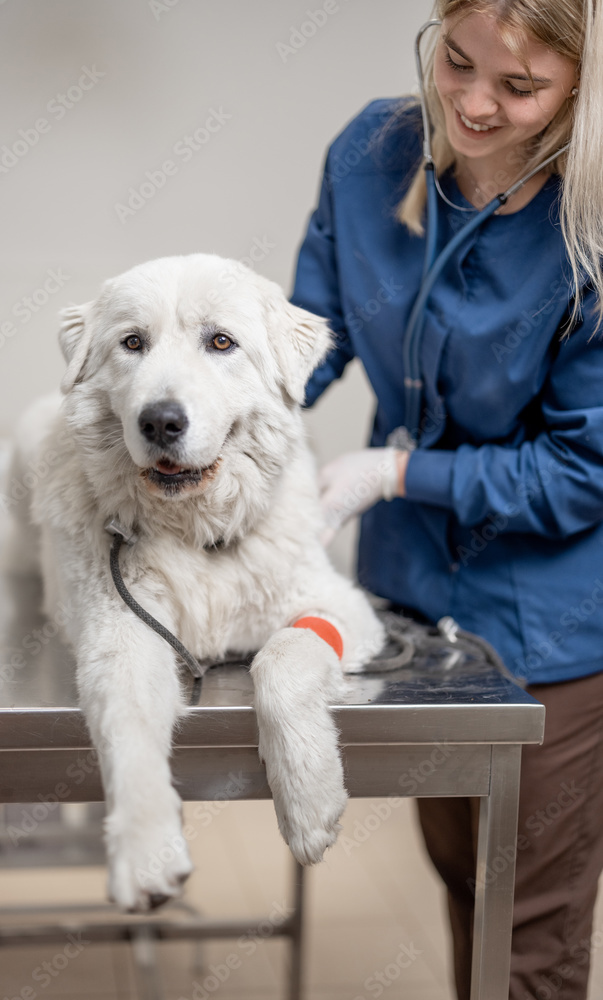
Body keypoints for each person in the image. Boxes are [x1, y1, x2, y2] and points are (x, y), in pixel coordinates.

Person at [290, 2, 603, 998]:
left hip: (550, 625)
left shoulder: (590, 228)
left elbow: (580, 469)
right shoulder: (371, 153)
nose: (469, 103)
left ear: (581, 88)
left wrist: (393, 473)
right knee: (464, 877)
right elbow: (312, 328)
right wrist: (211, 411)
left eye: (517, 88)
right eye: (455, 63)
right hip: (414, 596)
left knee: (530, 931)